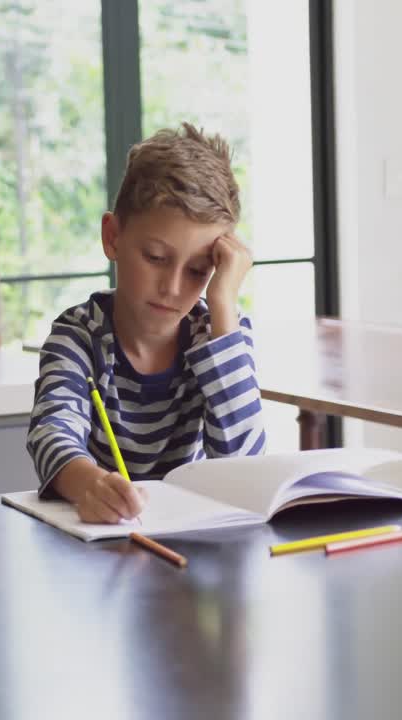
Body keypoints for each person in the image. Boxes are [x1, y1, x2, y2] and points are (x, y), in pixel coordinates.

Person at [26, 122, 266, 524]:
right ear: (113, 237)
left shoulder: (221, 336)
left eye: (197, 270)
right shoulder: (78, 336)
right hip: (104, 542)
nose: (172, 287)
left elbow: (242, 467)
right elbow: (52, 433)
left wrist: (223, 302)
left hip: (194, 546)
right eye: (155, 257)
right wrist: (90, 485)